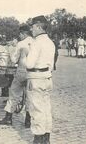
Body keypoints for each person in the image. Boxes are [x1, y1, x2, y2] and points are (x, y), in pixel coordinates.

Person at [0, 24, 34, 128]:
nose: (19, 36)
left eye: (20, 34)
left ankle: (8, 118)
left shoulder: (21, 43)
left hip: (21, 71)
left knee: (14, 94)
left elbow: (13, 59)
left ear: (23, 33)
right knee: (30, 96)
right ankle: (28, 120)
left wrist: (12, 54)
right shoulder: (35, 42)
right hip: (32, 73)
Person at [26, 15, 55, 144]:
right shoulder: (50, 42)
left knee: (36, 108)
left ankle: (38, 138)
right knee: (46, 107)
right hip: (47, 77)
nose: (31, 30)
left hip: (36, 78)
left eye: (32, 27)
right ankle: (46, 138)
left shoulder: (36, 42)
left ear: (38, 27)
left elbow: (29, 64)